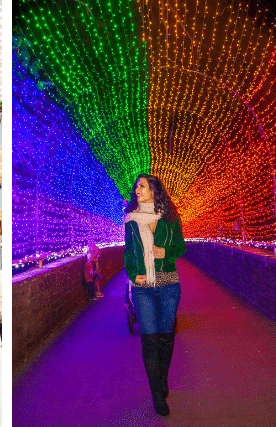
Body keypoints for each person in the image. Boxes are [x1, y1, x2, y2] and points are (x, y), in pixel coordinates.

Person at [123, 174, 186, 417]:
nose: (137, 189)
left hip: (169, 285)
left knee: (166, 338)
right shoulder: (130, 220)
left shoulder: (171, 219)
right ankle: (157, 394)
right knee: (150, 340)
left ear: (154, 190)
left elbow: (181, 247)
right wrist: (131, 273)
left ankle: (162, 378)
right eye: (136, 185)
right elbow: (129, 253)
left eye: (142, 185)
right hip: (143, 289)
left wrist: (165, 252)